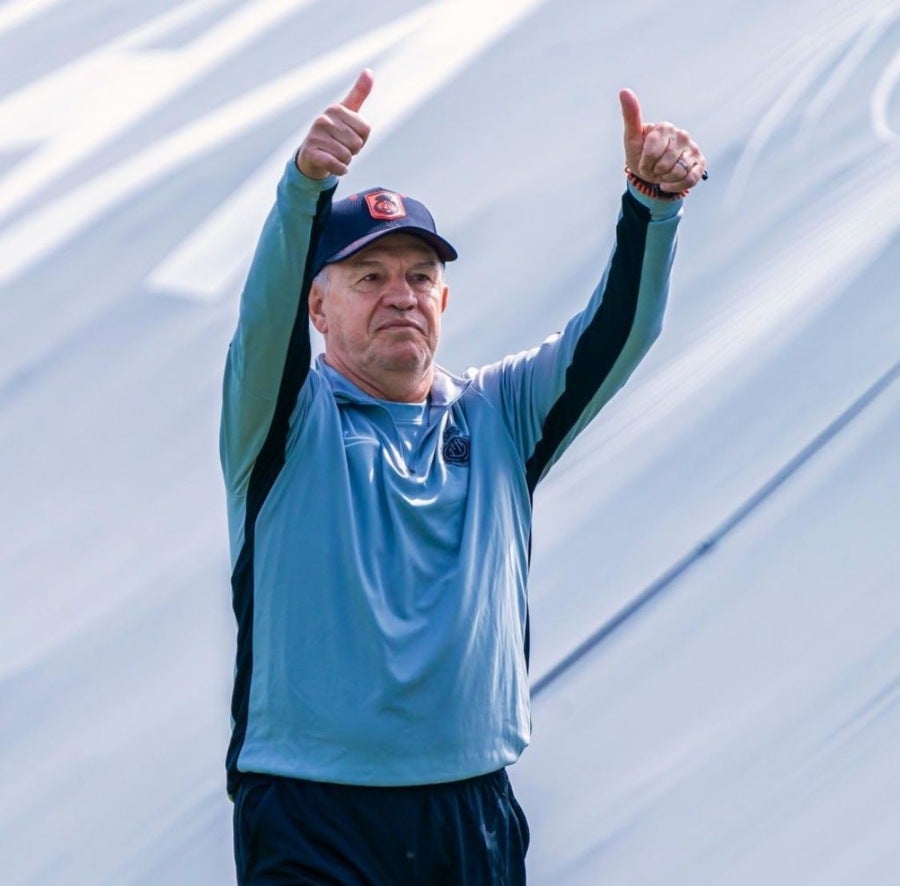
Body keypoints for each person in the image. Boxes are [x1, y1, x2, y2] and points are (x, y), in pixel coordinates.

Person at [220, 67, 706, 885]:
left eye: (419, 276)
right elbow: (260, 321)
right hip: (312, 813)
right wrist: (304, 190)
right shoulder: (284, 424)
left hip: (469, 810)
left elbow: (615, 338)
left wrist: (653, 209)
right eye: (369, 277)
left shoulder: (496, 415)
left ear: (444, 299)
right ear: (318, 308)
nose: (400, 295)